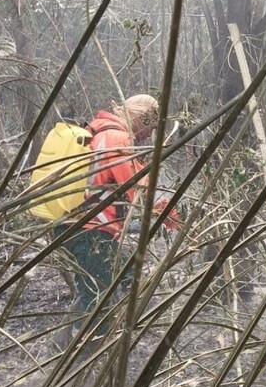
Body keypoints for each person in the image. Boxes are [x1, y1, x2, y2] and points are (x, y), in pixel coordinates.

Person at [56, 94, 178, 335]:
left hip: (79, 227)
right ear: (139, 118)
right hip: (88, 232)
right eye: (149, 126)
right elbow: (141, 194)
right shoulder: (117, 139)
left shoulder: (101, 131)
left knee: (124, 272)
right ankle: (84, 355)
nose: (148, 134)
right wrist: (177, 218)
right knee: (97, 300)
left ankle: (65, 342)